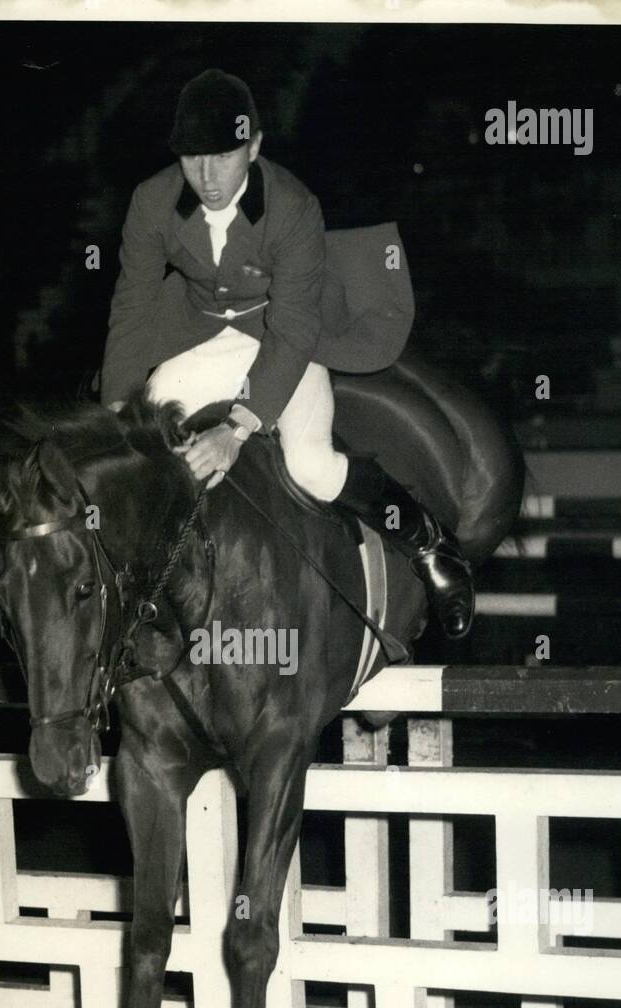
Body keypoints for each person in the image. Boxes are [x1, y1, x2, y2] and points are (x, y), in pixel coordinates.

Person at [100, 68, 474, 639]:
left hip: (283, 337)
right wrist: (117, 416)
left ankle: (427, 543)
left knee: (311, 465)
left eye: (222, 156)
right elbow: (132, 310)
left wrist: (237, 427)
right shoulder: (151, 201)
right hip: (198, 335)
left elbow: (294, 327)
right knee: (143, 460)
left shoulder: (293, 206)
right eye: (191, 159)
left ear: (253, 146)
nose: (206, 177)